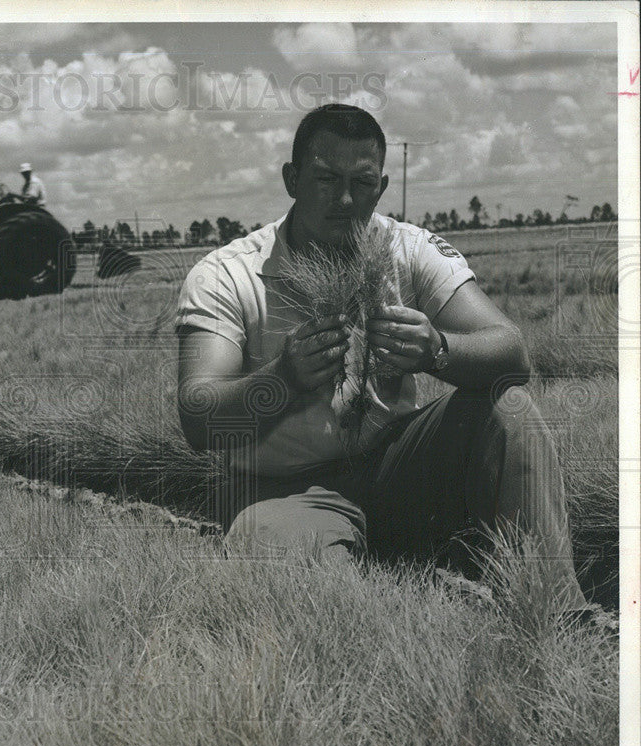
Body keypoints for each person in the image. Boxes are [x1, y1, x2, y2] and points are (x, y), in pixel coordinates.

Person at [175, 103, 589, 614]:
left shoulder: (408, 248)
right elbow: (198, 417)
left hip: (397, 465)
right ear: (292, 179)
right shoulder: (226, 275)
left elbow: (511, 350)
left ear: (383, 185)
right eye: (326, 179)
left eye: (363, 182)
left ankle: (555, 614)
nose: (346, 199)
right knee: (304, 586)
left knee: (512, 411)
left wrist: (438, 349)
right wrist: (281, 381)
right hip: (284, 489)